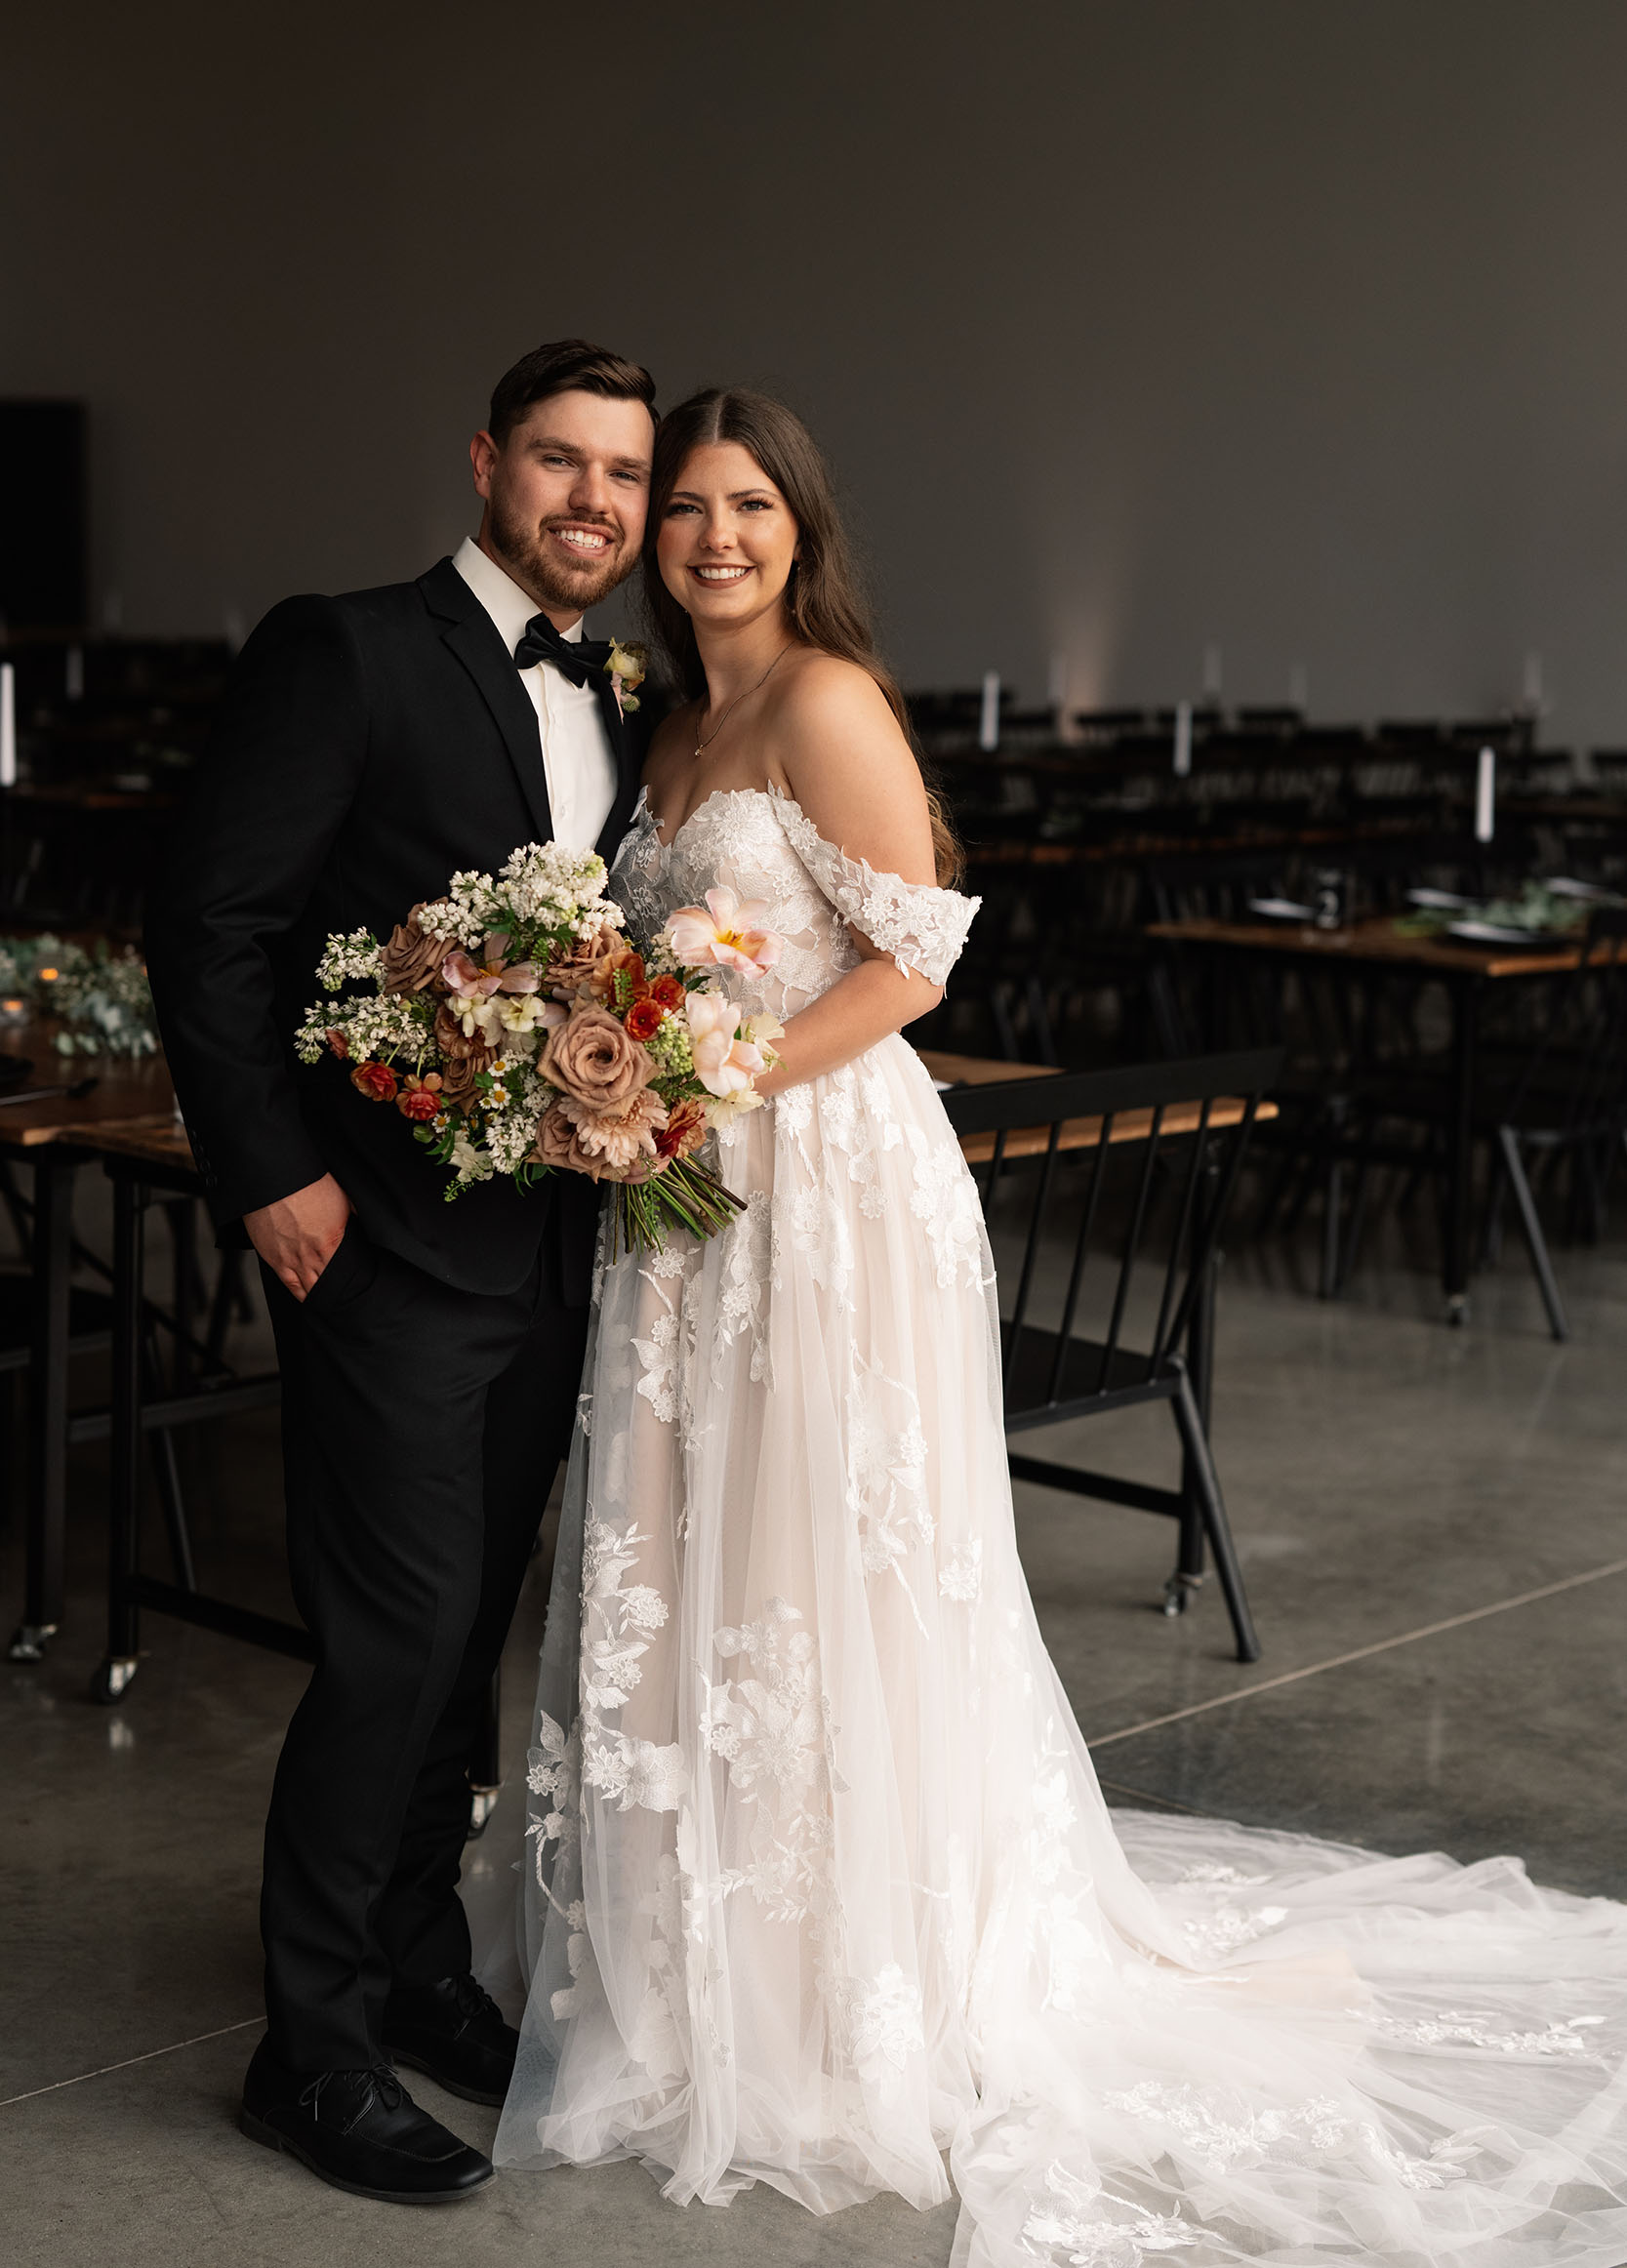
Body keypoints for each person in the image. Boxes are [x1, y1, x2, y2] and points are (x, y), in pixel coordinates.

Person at [493, 386, 1627, 2262]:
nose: (709, 537)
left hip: (828, 1194)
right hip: (688, 1211)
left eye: (745, 504)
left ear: (800, 526)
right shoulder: (669, 722)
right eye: (682, 505)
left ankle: (851, 1975)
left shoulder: (829, 701)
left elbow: (921, 957)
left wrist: (716, 1077)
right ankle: (699, 1956)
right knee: (695, 1561)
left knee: (832, 1568)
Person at [145, 337, 657, 2205]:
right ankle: (314, 2049)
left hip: (550, 1250)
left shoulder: (629, 685)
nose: (592, 499)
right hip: (374, 1241)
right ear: (484, 463)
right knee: (388, 1649)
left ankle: (422, 1969)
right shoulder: (347, 647)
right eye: (558, 460)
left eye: (622, 470)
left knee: (464, 1652)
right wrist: (271, 1181)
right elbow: (210, 919)